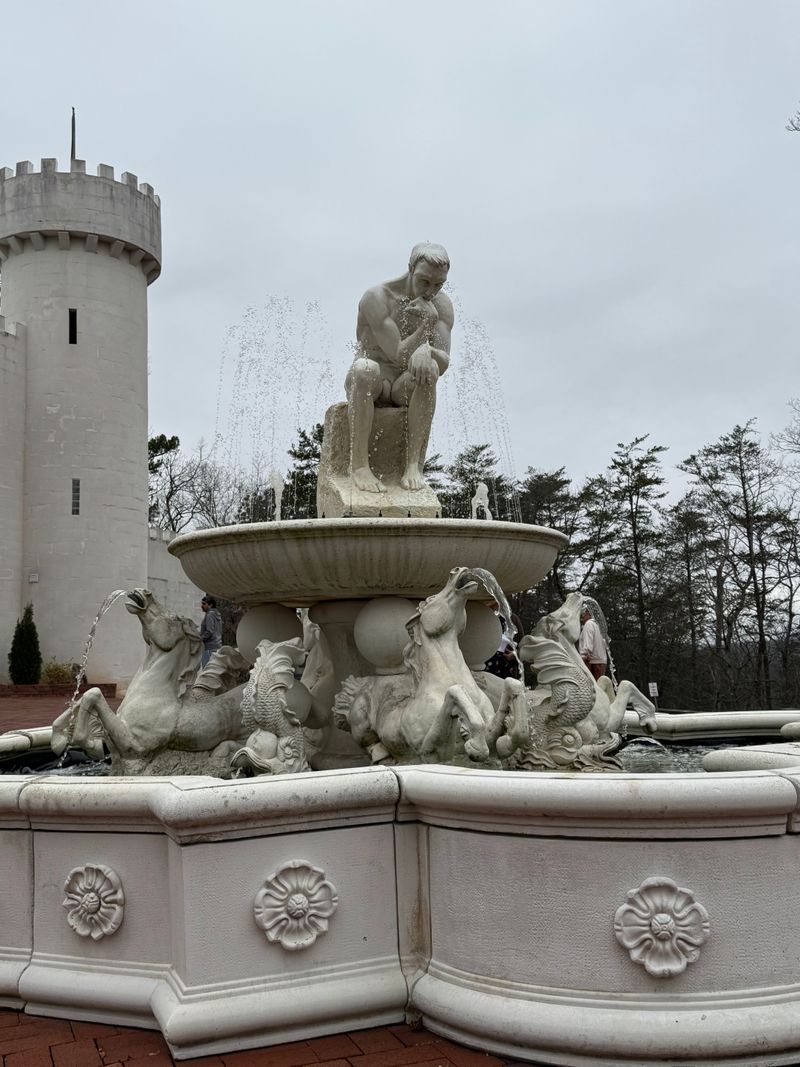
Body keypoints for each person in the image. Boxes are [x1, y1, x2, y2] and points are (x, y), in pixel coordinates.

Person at [345, 242, 453, 494]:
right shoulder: (378, 297)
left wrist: (427, 351)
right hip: (372, 381)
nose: (430, 291)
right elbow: (398, 353)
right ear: (410, 269)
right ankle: (359, 465)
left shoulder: (442, 305)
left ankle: (414, 465)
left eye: (438, 284)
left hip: (402, 386)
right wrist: (426, 326)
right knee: (365, 369)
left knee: (430, 372)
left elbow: (445, 361)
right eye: (424, 282)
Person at [579, 606, 607, 679]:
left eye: (583, 613)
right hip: (601, 662)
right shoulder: (598, 625)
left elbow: (587, 648)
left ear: (588, 613)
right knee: (600, 686)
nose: (582, 615)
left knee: (592, 688)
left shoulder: (589, 624)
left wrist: (580, 662)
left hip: (592, 663)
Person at [199, 595, 222, 666]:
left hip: (209, 648)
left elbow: (209, 631)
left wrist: (200, 638)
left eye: (204, 604)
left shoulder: (209, 615)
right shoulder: (216, 614)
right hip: (217, 646)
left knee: (206, 672)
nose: (201, 606)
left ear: (210, 605)